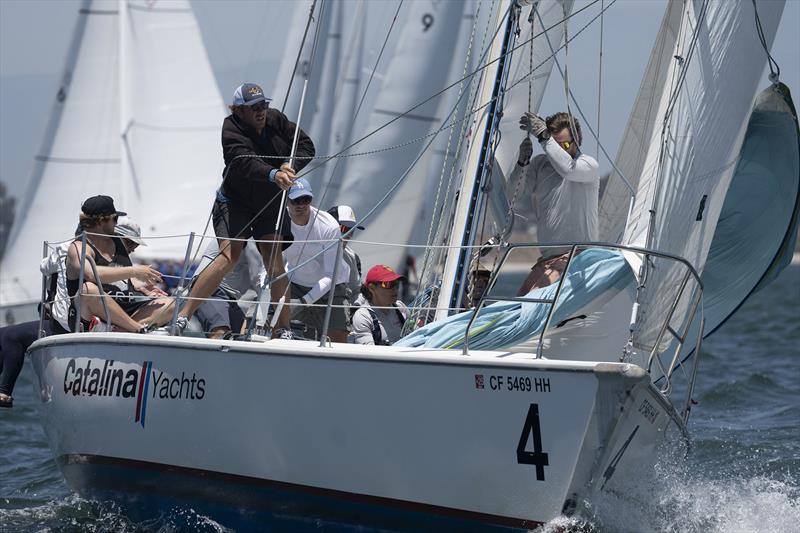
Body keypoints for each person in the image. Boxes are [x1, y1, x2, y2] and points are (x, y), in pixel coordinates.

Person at [157, 82, 315, 337]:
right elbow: (242, 162)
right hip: (235, 201)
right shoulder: (230, 128)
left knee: (275, 262)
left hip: (268, 201)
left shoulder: (277, 120)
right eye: (253, 107)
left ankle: (282, 329)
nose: (260, 111)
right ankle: (183, 317)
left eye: (263, 105)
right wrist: (274, 173)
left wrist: (291, 164)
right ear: (238, 110)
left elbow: (307, 146)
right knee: (228, 256)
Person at [512, 112, 600, 294]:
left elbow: (568, 170)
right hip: (548, 261)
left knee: (530, 301)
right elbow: (515, 195)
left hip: (576, 257)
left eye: (565, 145)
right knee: (519, 300)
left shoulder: (587, 165)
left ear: (577, 142)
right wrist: (522, 162)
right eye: (556, 146)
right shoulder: (540, 165)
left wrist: (544, 137)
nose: (561, 151)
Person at [65, 196, 169, 332]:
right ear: (101, 222)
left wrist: (138, 284)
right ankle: (137, 329)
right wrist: (134, 271)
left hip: (124, 309)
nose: (116, 223)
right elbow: (91, 274)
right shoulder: (78, 247)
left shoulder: (118, 242)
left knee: (170, 303)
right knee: (89, 289)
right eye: (115, 219)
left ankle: (121, 331)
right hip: (91, 315)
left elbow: (122, 274)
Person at [283, 178, 350, 342]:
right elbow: (270, 263)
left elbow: (331, 274)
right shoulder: (278, 221)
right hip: (293, 282)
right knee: (264, 320)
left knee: (338, 337)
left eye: (306, 200)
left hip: (331, 287)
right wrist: (266, 286)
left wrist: (304, 302)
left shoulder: (328, 226)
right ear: (286, 201)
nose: (301, 205)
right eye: (296, 200)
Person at [351, 265, 409, 346]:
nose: (395, 289)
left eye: (396, 283)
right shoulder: (363, 316)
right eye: (388, 284)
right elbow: (368, 354)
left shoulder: (401, 308)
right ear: (372, 288)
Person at [326, 205, 364, 303]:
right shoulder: (306, 246)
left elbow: (356, 290)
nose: (350, 235)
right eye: (344, 229)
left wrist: (356, 307)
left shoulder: (351, 257)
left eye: (352, 230)